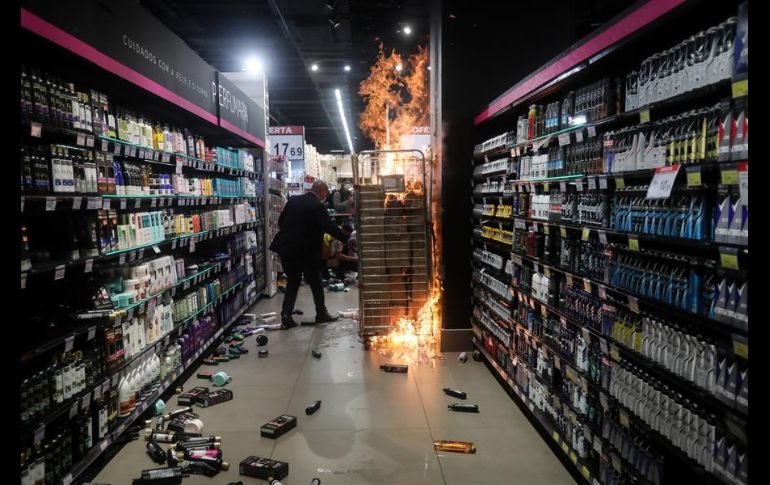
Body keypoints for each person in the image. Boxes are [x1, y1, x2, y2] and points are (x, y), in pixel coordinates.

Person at [269, 180, 351, 328]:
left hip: (287, 248)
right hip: (306, 251)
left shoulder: (293, 201)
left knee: (293, 281)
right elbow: (329, 227)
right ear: (322, 192)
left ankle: (286, 315)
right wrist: (347, 238)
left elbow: (281, 222)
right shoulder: (318, 206)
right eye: (325, 194)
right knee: (316, 281)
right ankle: (321, 313)